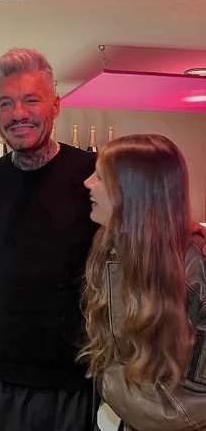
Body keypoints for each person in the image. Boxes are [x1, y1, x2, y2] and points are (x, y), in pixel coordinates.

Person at [0, 48, 100, 431]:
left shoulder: (93, 174)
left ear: (56, 106)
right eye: (6, 103)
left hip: (74, 377)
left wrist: (187, 231)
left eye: (31, 100)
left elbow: (139, 231)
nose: (18, 113)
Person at [80, 134, 206, 431]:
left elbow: (191, 405)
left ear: (133, 191)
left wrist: (109, 382)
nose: (87, 182)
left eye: (100, 176)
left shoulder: (194, 269)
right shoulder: (109, 246)